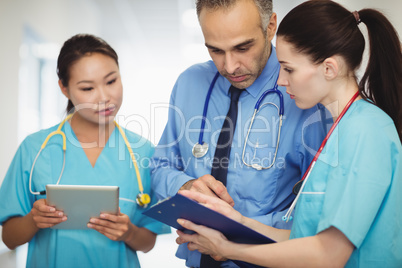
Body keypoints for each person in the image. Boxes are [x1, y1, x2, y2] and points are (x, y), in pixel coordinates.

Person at [175, 0, 402, 267]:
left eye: (289, 69)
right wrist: (238, 221)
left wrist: (230, 249)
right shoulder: (342, 128)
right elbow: (302, 238)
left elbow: (329, 255)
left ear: (329, 69)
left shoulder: (365, 129)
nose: (281, 80)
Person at [150, 0, 328, 267]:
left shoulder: (305, 94)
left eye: (243, 48)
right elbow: (159, 167)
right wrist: (186, 187)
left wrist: (237, 235)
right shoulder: (189, 84)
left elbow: (315, 209)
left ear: (270, 27)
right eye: (215, 50)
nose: (230, 66)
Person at [0, 34, 170, 268]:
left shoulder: (143, 152)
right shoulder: (35, 149)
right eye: (88, 88)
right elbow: (8, 238)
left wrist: (128, 232)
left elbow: (148, 241)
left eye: (111, 81)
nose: (104, 97)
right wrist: (33, 220)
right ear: (64, 88)